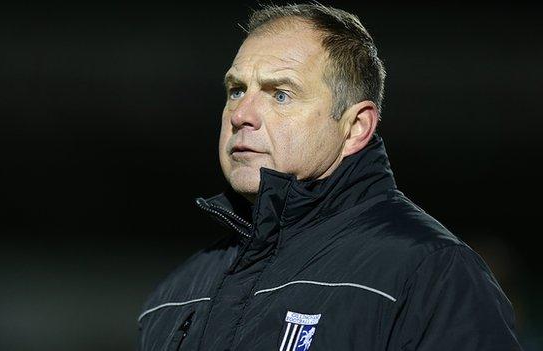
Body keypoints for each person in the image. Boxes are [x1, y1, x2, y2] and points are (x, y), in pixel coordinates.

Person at [137, 3, 522, 350]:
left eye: (280, 94)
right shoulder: (175, 295)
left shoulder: (429, 276)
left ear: (355, 127)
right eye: (237, 90)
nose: (242, 115)